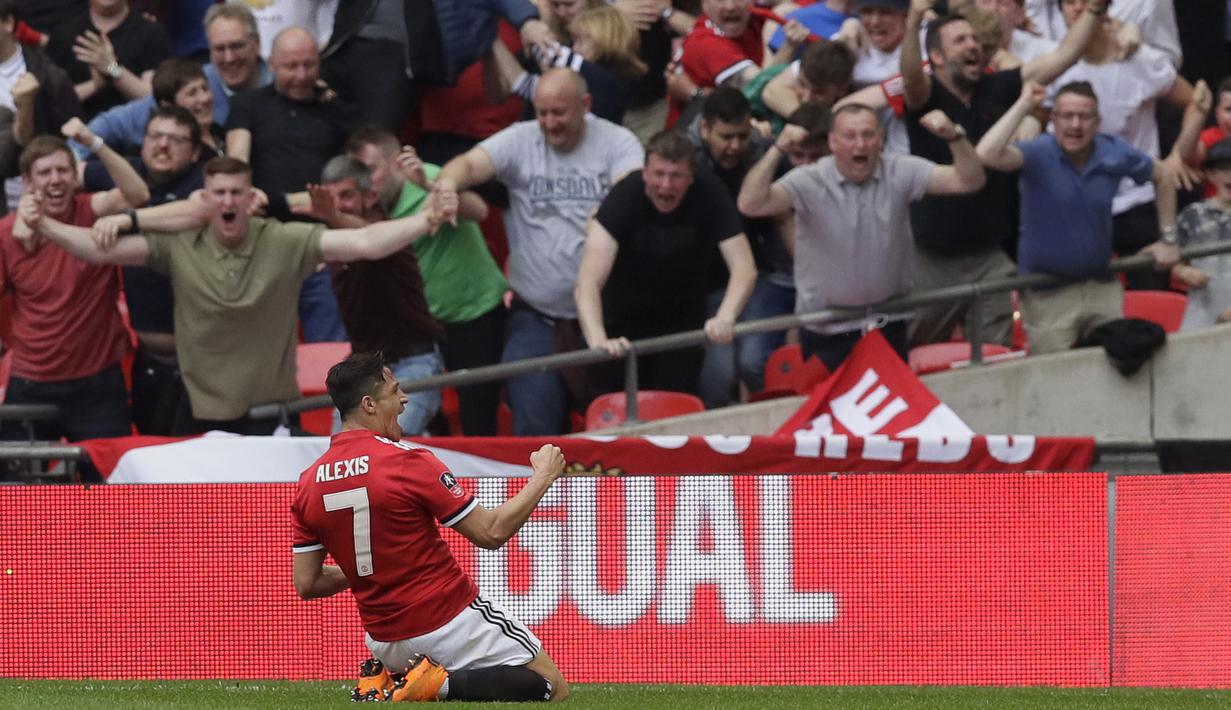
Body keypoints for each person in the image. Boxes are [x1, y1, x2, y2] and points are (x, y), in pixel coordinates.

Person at [29, 156, 450, 436]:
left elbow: (366, 244)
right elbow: (94, 248)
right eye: (219, 193)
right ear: (205, 199)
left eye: (236, 193)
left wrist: (426, 218)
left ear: (251, 199)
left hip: (273, 417)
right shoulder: (179, 243)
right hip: (199, 418)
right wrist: (43, 224)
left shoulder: (284, 239)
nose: (228, 201)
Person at [291, 351, 569, 702]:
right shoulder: (407, 460)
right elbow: (491, 532)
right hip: (447, 619)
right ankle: (435, 685)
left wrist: (380, 561)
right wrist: (543, 476)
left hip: (385, 642)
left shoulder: (308, 482)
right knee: (550, 685)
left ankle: (394, 680)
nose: (405, 399)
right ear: (369, 405)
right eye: (394, 391)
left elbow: (307, 583)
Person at [433, 68, 643, 435]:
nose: (549, 122)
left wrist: (608, 209)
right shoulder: (521, 139)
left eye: (559, 113)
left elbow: (631, 195)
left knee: (614, 429)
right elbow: (468, 163)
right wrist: (448, 184)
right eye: (542, 112)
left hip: (608, 316)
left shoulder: (618, 142)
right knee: (533, 424)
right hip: (537, 318)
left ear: (586, 105)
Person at [898, 0, 1104, 348]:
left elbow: (1065, 55)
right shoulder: (925, 95)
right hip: (933, 260)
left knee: (997, 358)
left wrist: (1095, 11)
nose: (973, 45)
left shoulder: (999, 87)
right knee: (912, 353)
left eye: (975, 40)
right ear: (936, 57)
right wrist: (914, 19)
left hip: (989, 257)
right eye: (960, 40)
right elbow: (910, 76)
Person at [737, 103, 986, 370]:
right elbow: (750, 204)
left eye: (868, 135)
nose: (860, 145)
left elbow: (969, 181)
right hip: (827, 330)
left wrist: (955, 136)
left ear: (881, 139)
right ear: (832, 141)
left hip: (887, 325)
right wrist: (777, 149)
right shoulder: (809, 179)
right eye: (850, 136)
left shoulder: (901, 170)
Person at [975, 80, 1179, 353]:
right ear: (1054, 120)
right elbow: (985, 154)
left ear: (1098, 122)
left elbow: (1164, 175)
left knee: (1119, 368)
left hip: (1100, 285)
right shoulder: (1038, 152)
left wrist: (1168, 238)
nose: (1075, 125)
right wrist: (1025, 105)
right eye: (1066, 116)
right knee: (1056, 380)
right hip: (1047, 293)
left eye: (1084, 116)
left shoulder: (1113, 150)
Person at [0, 126, 150, 481]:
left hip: (96, 382)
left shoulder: (93, 210)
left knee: (112, 487)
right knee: (14, 490)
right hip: (31, 381)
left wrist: (92, 142)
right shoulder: (7, 232)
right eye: (45, 172)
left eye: (63, 170)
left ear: (75, 175)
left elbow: (137, 193)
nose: (55, 180)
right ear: (26, 181)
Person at [345, 128, 508, 437]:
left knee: (477, 417)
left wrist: (431, 186)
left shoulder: (429, 176)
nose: (365, 180)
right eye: (358, 172)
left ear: (396, 162)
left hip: (471, 314)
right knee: (417, 416)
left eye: (371, 170)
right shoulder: (364, 204)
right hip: (420, 327)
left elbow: (480, 210)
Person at [575, 130, 756, 396]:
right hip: (621, 324)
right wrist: (598, 340)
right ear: (645, 172)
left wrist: (725, 316)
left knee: (676, 404)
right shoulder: (625, 196)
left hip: (680, 325)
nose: (666, 186)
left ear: (691, 176)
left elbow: (744, 267)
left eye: (676, 176)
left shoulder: (710, 191)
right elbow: (587, 282)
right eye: (658, 174)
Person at [227, 26, 358, 343]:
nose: (300, 75)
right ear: (271, 64)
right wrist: (244, 193)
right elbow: (236, 161)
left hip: (321, 249)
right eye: (290, 66)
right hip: (263, 246)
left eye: (309, 65)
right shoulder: (249, 104)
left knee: (331, 351)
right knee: (261, 348)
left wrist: (278, 201)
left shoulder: (340, 113)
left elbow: (346, 183)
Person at [297, 156, 445, 437]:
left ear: (371, 196)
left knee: (382, 443)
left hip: (413, 363)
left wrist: (333, 217)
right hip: (363, 368)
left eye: (347, 195)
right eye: (329, 198)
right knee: (343, 453)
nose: (337, 204)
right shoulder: (331, 238)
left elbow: (366, 237)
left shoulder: (387, 230)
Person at [81, 105, 205, 435]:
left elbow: (197, 211)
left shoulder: (205, 179)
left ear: (194, 153)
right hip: (150, 358)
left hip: (204, 361)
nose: (162, 145)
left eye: (175, 139)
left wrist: (128, 218)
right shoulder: (128, 172)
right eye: (155, 136)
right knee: (152, 456)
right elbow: (61, 174)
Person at [73, 58, 223, 162]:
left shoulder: (221, 132)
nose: (205, 98)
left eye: (205, 88)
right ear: (168, 106)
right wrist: (74, 156)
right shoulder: (164, 152)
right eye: (192, 93)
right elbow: (106, 124)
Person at [46, 0, 172, 119]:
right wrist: (94, 86)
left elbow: (154, 98)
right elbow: (53, 100)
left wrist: (113, 69)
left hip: (135, 134)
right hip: (75, 131)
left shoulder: (151, 32)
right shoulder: (64, 34)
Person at [1172, 139, 1231, 330]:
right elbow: (1171, 261)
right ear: (1210, 175)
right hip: (1201, 316)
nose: (1230, 174)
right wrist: (1183, 272)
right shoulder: (1193, 214)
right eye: (1223, 168)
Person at [202, 4, 273, 124]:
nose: (229, 58)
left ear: (257, 44)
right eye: (219, 49)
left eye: (237, 46)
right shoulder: (194, 84)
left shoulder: (282, 85)